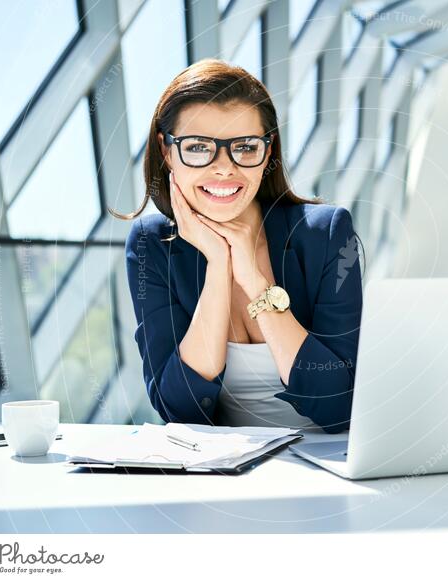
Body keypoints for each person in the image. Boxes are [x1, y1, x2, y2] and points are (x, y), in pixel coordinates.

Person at [112, 59, 363, 434]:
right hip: (225, 474)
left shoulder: (325, 234)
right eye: (198, 148)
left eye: (245, 147)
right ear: (167, 152)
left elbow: (338, 405)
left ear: (267, 151)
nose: (225, 168)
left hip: (328, 464)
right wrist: (218, 265)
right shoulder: (152, 245)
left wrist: (255, 281)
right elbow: (179, 409)